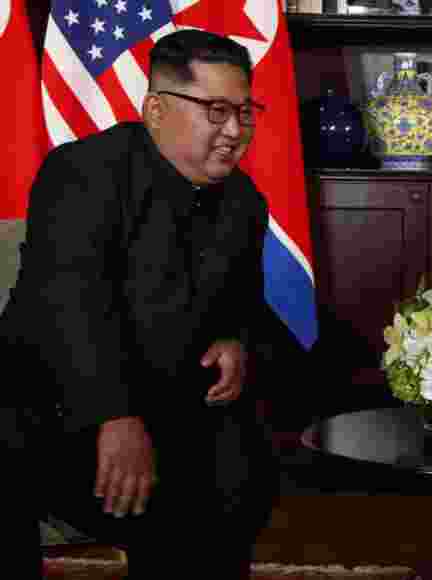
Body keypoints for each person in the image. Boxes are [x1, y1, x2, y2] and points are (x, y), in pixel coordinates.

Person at [0, 29, 277, 579]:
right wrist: (115, 416)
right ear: (155, 108)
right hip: (50, 401)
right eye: (216, 110)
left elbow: (242, 297)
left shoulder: (245, 201)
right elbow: (72, 306)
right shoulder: (83, 171)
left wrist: (233, 336)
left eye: (245, 112)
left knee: (234, 479)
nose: (234, 130)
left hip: (170, 402)